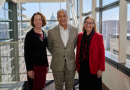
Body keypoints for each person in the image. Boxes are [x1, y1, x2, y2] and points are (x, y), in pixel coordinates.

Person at [47, 9, 78, 90]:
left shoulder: (75, 30)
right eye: (60, 16)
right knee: (58, 87)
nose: (62, 18)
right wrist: (57, 54)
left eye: (64, 16)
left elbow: (73, 45)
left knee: (69, 87)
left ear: (67, 17)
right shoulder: (51, 32)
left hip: (70, 64)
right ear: (57, 18)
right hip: (57, 64)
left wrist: (67, 53)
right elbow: (49, 46)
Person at [76, 16, 105, 90]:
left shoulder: (99, 36)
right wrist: (77, 65)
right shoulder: (79, 36)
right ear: (83, 24)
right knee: (83, 86)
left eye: (90, 23)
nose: (88, 25)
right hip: (82, 66)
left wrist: (100, 69)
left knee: (94, 87)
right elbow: (78, 51)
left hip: (94, 67)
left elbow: (102, 54)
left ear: (93, 24)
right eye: (86, 23)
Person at [24, 12, 49, 90]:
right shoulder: (29, 35)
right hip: (34, 68)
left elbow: (44, 51)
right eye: (36, 20)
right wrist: (29, 69)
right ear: (33, 22)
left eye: (40, 19)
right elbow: (26, 53)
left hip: (43, 66)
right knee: (33, 87)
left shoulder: (44, 34)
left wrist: (47, 65)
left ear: (42, 21)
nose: (38, 21)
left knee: (41, 86)